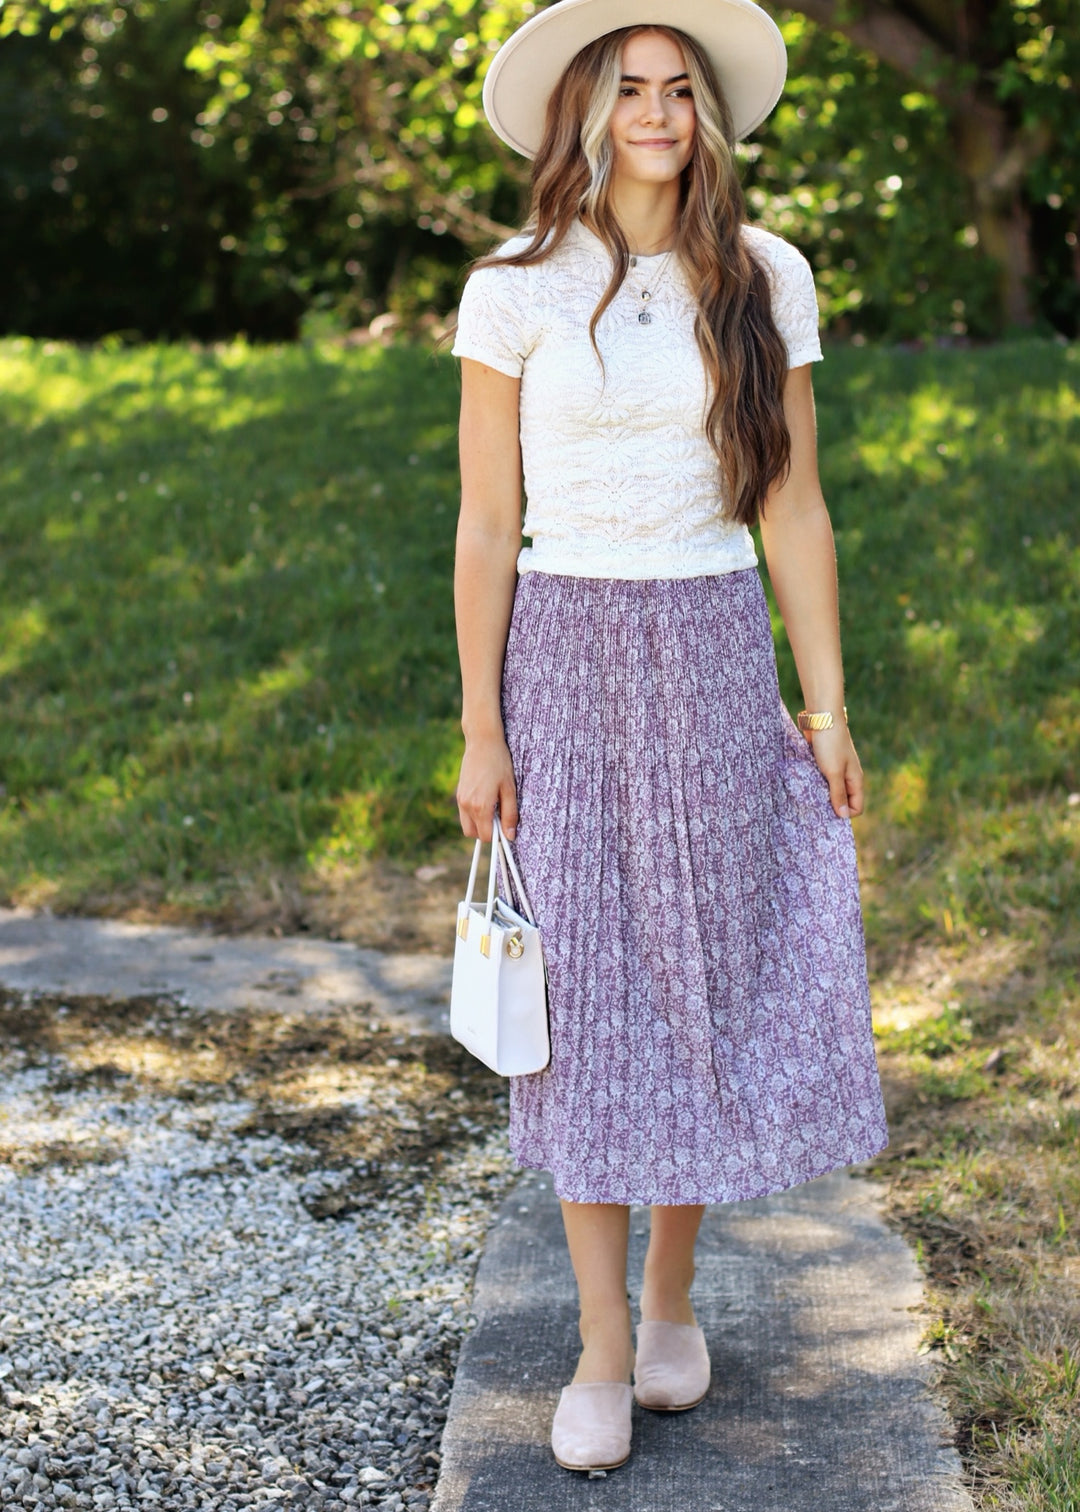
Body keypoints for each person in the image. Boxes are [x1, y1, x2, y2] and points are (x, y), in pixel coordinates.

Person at [450, 0, 889, 1475]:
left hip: (709, 645)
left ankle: (671, 1296)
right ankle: (593, 1346)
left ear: (706, 115)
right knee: (581, 994)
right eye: (630, 89)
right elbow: (484, 523)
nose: (656, 111)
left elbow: (795, 508)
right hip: (564, 656)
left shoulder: (765, 277)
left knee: (700, 967)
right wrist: (479, 723)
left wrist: (824, 706)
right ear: (587, 111)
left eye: (677, 89)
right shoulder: (512, 290)